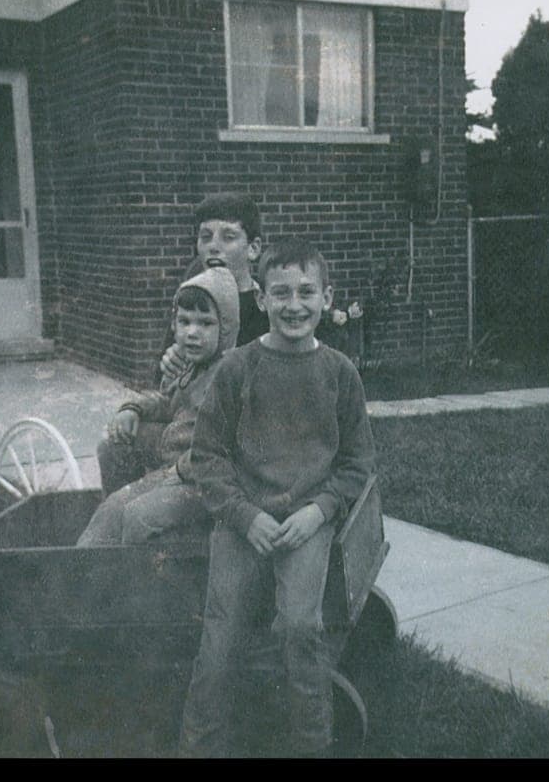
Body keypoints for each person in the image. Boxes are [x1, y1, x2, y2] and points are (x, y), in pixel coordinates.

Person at [177, 240, 377, 757]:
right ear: (261, 299)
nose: (294, 305)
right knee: (219, 642)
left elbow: (357, 463)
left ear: (326, 297)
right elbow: (207, 457)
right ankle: (201, 748)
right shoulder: (237, 369)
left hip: (306, 522)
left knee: (299, 629)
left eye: (307, 292)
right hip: (245, 520)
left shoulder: (340, 373)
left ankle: (310, 746)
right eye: (281, 293)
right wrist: (245, 517)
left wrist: (319, 512)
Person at [98, 192, 271, 496]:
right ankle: (120, 517)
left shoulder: (263, 311)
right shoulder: (195, 293)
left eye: (228, 237)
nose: (214, 246)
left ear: (253, 248)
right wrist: (167, 367)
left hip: (230, 446)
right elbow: (164, 387)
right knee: (114, 444)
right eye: (205, 237)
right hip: (182, 428)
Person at [76, 266, 239, 546]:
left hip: (199, 476)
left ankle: (116, 547)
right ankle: (117, 533)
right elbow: (168, 402)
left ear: (226, 328)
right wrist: (133, 409)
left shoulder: (229, 376)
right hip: (174, 458)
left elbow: (222, 449)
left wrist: (172, 473)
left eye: (205, 324)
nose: (192, 332)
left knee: (122, 510)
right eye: (184, 321)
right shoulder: (193, 365)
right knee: (114, 446)